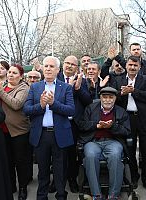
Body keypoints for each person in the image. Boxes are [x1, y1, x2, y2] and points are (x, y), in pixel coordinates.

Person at [23, 56, 75, 200]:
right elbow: (26, 110)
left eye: (51, 66)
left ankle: (61, 194)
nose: (48, 69)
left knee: (60, 169)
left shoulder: (65, 87)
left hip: (60, 135)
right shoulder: (35, 87)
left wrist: (53, 104)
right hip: (41, 135)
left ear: (58, 70)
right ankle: (41, 195)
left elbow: (71, 110)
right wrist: (40, 105)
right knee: (42, 169)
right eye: (46, 66)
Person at [110, 55, 146, 194]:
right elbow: (112, 98)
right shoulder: (118, 80)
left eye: (135, 65)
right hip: (127, 120)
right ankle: (134, 177)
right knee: (129, 151)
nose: (132, 67)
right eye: (130, 65)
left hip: (143, 119)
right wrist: (121, 93)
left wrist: (133, 91)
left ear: (139, 67)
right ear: (126, 66)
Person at [79, 87, 130, 200]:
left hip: (113, 142)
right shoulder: (90, 108)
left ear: (115, 99)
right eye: (105, 97)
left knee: (115, 155)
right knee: (90, 156)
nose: (107, 100)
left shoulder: (121, 111)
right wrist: (97, 125)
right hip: (93, 141)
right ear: (100, 98)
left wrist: (112, 126)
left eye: (111, 97)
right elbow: (82, 125)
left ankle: (113, 195)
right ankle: (96, 194)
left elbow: (126, 131)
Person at [0, 64, 30, 200]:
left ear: (20, 76)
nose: (10, 75)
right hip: (2, 129)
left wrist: (0, 92)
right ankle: (11, 186)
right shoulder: (2, 87)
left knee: (20, 161)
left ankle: (23, 188)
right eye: (9, 72)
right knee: (7, 160)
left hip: (18, 130)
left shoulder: (24, 88)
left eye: (14, 73)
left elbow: (16, 104)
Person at [57, 55, 92, 193]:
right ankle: (58, 180)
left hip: (74, 123)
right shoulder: (56, 78)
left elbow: (88, 101)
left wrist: (78, 89)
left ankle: (72, 179)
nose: (69, 66)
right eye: (67, 63)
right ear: (62, 64)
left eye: (72, 64)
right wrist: (69, 87)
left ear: (77, 67)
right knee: (59, 154)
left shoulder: (81, 80)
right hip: (59, 121)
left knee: (72, 154)